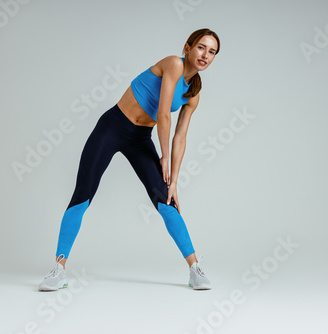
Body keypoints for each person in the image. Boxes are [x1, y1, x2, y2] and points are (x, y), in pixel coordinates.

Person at [37, 28, 220, 291]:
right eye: (201, 47)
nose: (205, 55)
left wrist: (175, 180)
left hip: (140, 139)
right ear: (188, 47)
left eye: (212, 52)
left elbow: (180, 136)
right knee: (83, 193)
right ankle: (58, 269)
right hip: (112, 127)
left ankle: (194, 269)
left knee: (166, 198)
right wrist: (164, 156)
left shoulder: (194, 94)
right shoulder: (173, 63)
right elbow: (163, 113)